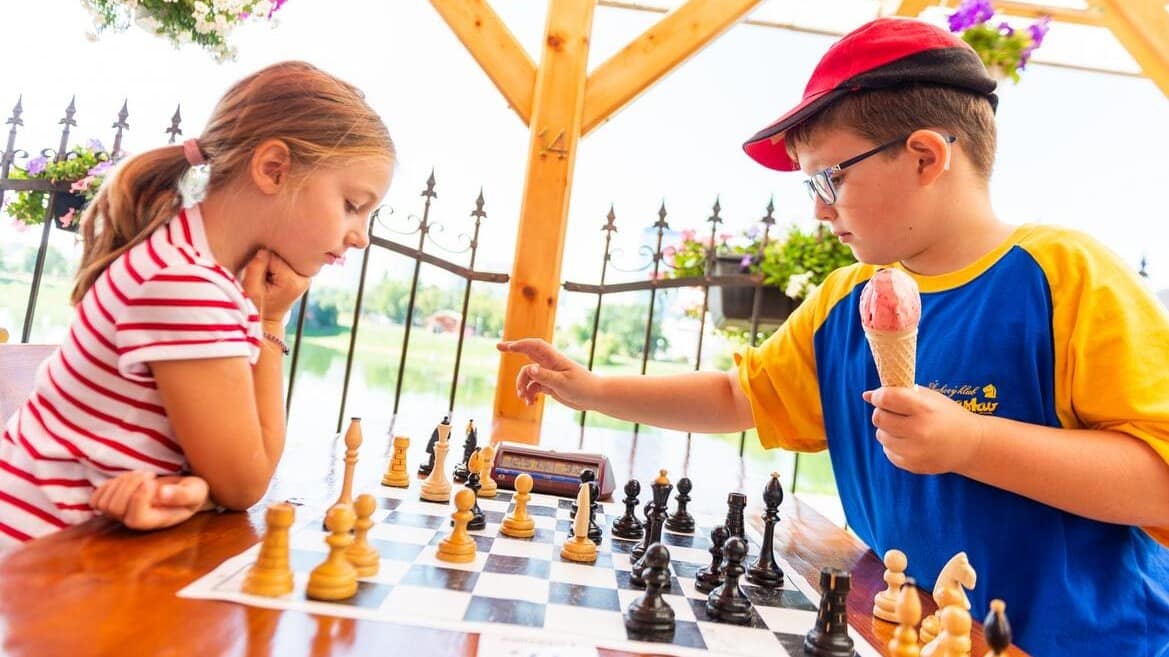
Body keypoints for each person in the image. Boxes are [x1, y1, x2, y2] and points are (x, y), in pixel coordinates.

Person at [498, 18, 1169, 657]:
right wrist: (590, 389)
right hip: (899, 629)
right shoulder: (845, 300)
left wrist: (972, 441)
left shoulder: (1065, 276)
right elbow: (738, 396)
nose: (817, 209)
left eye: (829, 177)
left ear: (925, 156)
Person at [0, 61, 395, 548]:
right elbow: (246, 484)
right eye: (354, 205)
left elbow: (224, 477)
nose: (361, 237)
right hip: (30, 567)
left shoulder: (189, 264)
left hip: (73, 557)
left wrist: (199, 490)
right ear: (274, 169)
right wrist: (271, 321)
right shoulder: (185, 285)